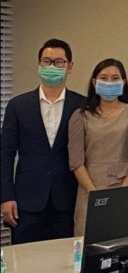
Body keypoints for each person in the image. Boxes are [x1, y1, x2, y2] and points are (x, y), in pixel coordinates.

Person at [1, 39, 85, 244]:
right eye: (46, 62)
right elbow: (5, 154)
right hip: (26, 202)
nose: (51, 67)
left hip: (67, 200)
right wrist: (5, 197)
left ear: (70, 67)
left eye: (59, 62)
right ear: (39, 65)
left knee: (64, 261)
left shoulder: (81, 105)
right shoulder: (18, 105)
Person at [68, 58, 128, 236]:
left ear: (123, 83)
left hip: (123, 188)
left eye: (114, 78)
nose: (109, 82)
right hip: (89, 189)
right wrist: (94, 194)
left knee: (124, 245)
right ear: (95, 82)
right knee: (88, 245)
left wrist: (124, 192)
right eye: (104, 78)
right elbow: (76, 161)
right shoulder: (80, 116)